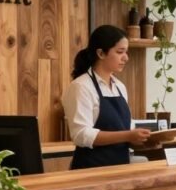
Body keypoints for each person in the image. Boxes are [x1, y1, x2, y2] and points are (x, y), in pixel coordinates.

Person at [62, 25, 150, 169]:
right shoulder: (81, 86)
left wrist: (143, 139)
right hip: (90, 171)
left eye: (126, 52)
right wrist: (128, 136)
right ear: (101, 53)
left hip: (120, 168)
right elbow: (81, 135)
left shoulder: (120, 87)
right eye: (120, 52)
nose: (126, 58)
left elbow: (124, 128)